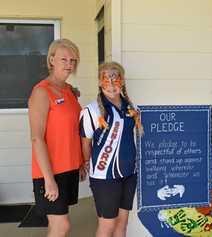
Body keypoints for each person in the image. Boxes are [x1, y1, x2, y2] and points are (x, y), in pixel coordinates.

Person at [28, 38, 85, 237]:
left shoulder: (69, 90)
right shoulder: (41, 92)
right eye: (64, 59)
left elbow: (71, 129)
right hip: (50, 172)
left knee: (56, 225)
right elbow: (37, 138)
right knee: (62, 226)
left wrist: (81, 161)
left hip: (69, 167)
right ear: (52, 60)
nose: (69, 64)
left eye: (73, 60)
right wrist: (48, 179)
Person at [80, 61, 142, 237]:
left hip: (129, 174)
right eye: (107, 79)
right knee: (107, 226)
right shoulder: (91, 111)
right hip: (104, 177)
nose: (112, 83)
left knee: (122, 226)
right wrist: (87, 163)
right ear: (100, 82)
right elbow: (85, 144)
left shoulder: (131, 108)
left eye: (116, 79)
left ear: (122, 81)